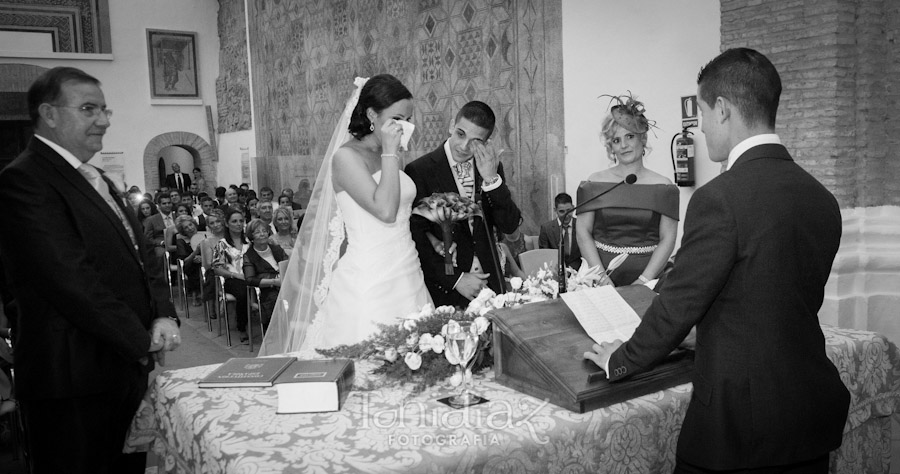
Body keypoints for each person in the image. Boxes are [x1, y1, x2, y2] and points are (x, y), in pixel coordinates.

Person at [584, 48, 850, 473]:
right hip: (808, 411)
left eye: (704, 115)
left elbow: (678, 306)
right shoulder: (822, 198)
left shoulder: (720, 199)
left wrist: (621, 359)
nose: (703, 128)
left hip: (739, 427)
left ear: (723, 110)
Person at [0, 66, 180, 473]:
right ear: (49, 113)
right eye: (88, 109)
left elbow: (142, 253)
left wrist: (163, 314)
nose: (103, 120)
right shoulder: (24, 181)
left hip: (118, 365)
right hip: (71, 377)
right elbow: (70, 280)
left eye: (105, 109)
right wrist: (141, 341)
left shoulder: (95, 176)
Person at [261, 74, 432, 355]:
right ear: (371, 115)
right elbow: (385, 211)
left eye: (407, 119)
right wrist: (391, 152)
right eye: (397, 119)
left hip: (408, 271)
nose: (404, 128)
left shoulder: (390, 154)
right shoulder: (346, 158)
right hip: (370, 278)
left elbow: (400, 210)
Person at [406, 100, 522, 307]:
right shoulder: (420, 170)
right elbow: (416, 236)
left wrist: (491, 180)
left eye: (475, 141)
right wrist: (456, 280)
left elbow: (510, 225)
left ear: (487, 142)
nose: (464, 146)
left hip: (491, 282)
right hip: (447, 287)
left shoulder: (491, 167)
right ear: (452, 125)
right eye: (460, 134)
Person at [574, 93, 678, 286]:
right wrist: (601, 277)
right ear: (610, 146)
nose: (623, 145)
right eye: (616, 140)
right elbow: (582, 232)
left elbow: (668, 238)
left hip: (650, 278)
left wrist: (644, 280)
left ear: (643, 138)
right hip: (599, 276)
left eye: (629, 136)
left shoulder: (664, 187)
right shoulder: (594, 182)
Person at [212, 208, 251, 342]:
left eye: (241, 221)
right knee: (243, 293)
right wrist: (235, 275)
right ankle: (242, 327)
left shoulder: (249, 242)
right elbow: (217, 269)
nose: (238, 224)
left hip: (250, 276)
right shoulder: (222, 244)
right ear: (227, 224)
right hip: (232, 279)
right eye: (234, 221)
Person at [243, 219, 287, 332]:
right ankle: (275, 333)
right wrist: (274, 282)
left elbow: (288, 266)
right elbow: (250, 280)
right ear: (251, 236)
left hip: (286, 284)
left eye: (264, 230)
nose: (262, 234)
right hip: (266, 290)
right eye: (257, 232)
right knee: (275, 299)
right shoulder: (249, 255)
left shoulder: (277, 249)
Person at [539, 193, 582, 271]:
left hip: (579, 272)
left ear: (573, 208)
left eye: (569, 210)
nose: (566, 215)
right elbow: (544, 256)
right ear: (555, 210)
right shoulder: (546, 229)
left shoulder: (581, 226)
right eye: (562, 211)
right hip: (555, 273)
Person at [173, 214, 202, 305]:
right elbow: (184, 261)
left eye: (190, 225)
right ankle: (195, 294)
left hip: (206, 261)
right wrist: (195, 253)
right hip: (189, 264)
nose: (190, 228)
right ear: (183, 231)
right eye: (186, 227)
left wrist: (203, 257)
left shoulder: (205, 235)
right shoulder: (181, 241)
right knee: (195, 266)